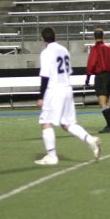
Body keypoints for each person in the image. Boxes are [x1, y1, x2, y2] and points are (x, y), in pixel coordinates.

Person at [35, 26, 101, 165]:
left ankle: (51, 156)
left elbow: (45, 77)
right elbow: (68, 71)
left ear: (43, 39)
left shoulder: (46, 52)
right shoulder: (64, 50)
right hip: (67, 89)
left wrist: (41, 96)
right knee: (67, 124)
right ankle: (90, 140)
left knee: (45, 122)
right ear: (55, 36)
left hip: (54, 90)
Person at [85, 28, 110, 133]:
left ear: (94, 37)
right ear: (103, 36)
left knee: (102, 102)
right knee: (107, 101)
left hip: (100, 77)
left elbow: (91, 63)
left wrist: (88, 76)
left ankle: (109, 126)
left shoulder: (94, 49)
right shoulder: (109, 48)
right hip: (109, 76)